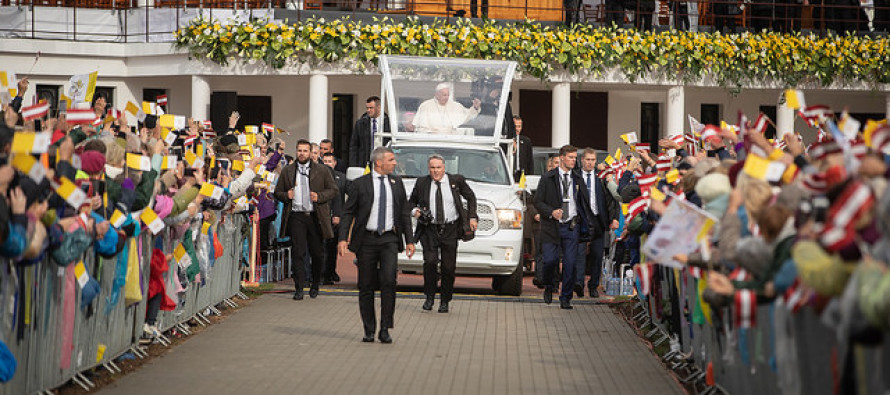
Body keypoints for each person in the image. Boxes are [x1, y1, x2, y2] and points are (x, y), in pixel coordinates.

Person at [338, 147, 415, 344]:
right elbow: (348, 213)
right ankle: (369, 329)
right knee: (366, 285)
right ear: (379, 162)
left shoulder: (397, 184)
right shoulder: (360, 184)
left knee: (389, 281)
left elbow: (405, 214)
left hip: (389, 239)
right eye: (391, 159)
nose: (395, 163)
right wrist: (343, 238)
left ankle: (385, 328)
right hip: (367, 240)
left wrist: (410, 240)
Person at [409, 154, 478, 313]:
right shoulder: (422, 183)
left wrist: (472, 217)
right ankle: (429, 297)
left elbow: (471, 197)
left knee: (448, 267)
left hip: (450, 228)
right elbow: (411, 203)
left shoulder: (456, 181)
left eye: (438, 167)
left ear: (444, 167)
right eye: (432, 168)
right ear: (428, 168)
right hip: (429, 229)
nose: (435, 171)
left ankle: (445, 300)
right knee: (430, 263)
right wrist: (416, 211)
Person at [274, 139, 339, 300]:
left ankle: (315, 283)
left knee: (317, 253)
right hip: (296, 215)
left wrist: (319, 196)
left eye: (305, 150)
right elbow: (277, 192)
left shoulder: (321, 170)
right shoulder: (288, 170)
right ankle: (299, 287)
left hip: (315, 215)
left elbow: (333, 190)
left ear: (310, 153)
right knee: (298, 252)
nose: (302, 153)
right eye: (299, 150)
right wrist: (286, 195)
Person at [534, 145, 594, 310]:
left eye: (575, 157)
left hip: (571, 226)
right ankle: (548, 286)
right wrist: (551, 212)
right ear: (561, 158)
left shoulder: (577, 178)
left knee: (570, 263)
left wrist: (587, 223)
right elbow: (538, 201)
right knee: (550, 261)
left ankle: (565, 297)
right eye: (570, 157)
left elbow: (584, 203)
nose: (574, 160)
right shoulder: (548, 178)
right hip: (552, 226)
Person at [578, 148, 620, 298]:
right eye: (587, 160)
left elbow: (611, 200)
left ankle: (593, 285)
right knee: (579, 254)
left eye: (593, 160)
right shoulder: (575, 177)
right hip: (580, 221)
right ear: (582, 160)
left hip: (598, 221)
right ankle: (578, 284)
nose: (590, 163)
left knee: (597, 255)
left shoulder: (600, 179)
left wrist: (614, 218)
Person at [412, 82, 481, 135]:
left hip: (449, 140)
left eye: (448, 95)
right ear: (437, 95)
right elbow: (420, 128)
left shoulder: (454, 105)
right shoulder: (425, 106)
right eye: (444, 95)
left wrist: (475, 107)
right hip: (431, 141)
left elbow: (467, 114)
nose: (447, 97)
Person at [322, 152, 348, 284]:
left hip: (336, 219)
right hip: (322, 217)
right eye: (325, 161)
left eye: (329, 161)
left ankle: (331, 271)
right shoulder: (319, 176)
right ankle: (323, 275)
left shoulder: (342, 178)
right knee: (323, 248)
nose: (327, 164)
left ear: (334, 163)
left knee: (332, 249)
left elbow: (344, 196)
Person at [349, 96, 390, 168]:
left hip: (383, 161)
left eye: (371, 108)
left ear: (379, 107)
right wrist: (354, 165)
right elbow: (354, 146)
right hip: (365, 163)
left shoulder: (389, 123)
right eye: (367, 108)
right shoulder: (360, 123)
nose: (368, 110)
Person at [513, 115, 533, 181]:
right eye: (515, 126)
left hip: (522, 175)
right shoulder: (505, 141)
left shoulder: (526, 141)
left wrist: (530, 177)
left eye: (519, 126)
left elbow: (530, 161)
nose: (517, 129)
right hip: (509, 175)